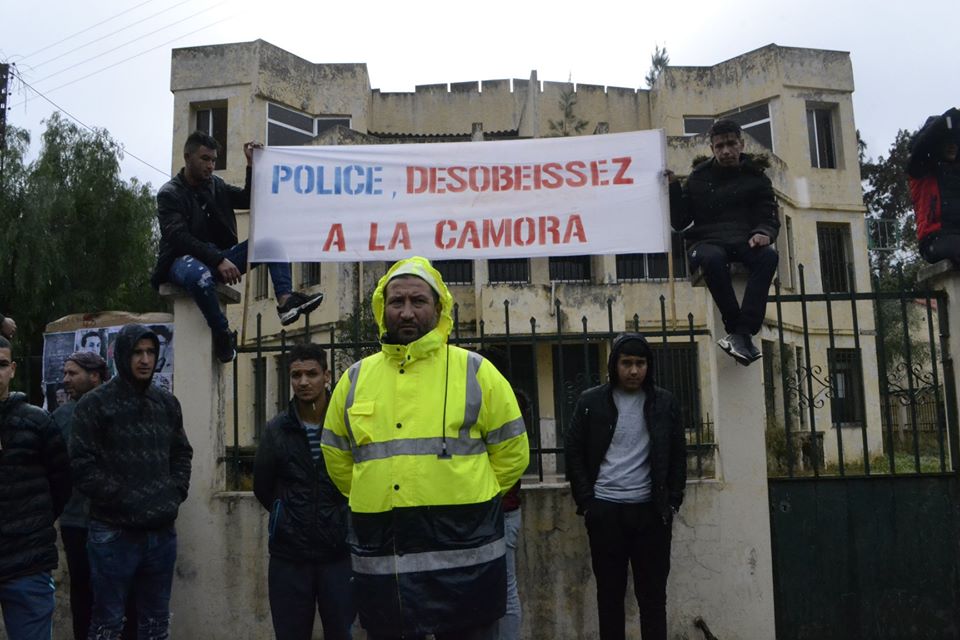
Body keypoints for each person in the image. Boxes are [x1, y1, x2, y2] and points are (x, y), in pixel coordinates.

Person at [321, 257, 529, 640]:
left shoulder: (476, 371)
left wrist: (471, 495)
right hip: (387, 560)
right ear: (382, 309)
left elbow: (512, 452)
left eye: (418, 301)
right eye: (396, 302)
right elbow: (338, 459)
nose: (407, 312)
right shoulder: (354, 380)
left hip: (467, 559)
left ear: (439, 307)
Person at [151, 131, 324, 363]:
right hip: (181, 261)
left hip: (218, 257)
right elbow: (179, 237)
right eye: (205, 159)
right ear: (187, 157)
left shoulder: (216, 185)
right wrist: (217, 260)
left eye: (213, 160)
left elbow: (248, 200)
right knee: (200, 276)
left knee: (271, 240)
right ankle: (222, 334)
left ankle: (285, 302)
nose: (210, 166)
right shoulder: (169, 193)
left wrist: (251, 165)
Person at [70, 324, 193, 640]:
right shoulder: (94, 404)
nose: (145, 359)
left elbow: (181, 453)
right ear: (122, 355)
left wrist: (174, 493)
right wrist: (125, 497)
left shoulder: (167, 404)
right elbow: (82, 467)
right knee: (108, 623)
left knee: (155, 623)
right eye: (137, 352)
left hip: (160, 532)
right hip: (113, 532)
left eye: (151, 352)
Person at [565, 333, 686, 640]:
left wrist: (672, 501)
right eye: (627, 363)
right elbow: (574, 452)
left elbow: (677, 456)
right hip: (605, 512)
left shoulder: (665, 403)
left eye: (641, 363)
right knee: (609, 597)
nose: (634, 371)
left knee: (653, 599)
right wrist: (588, 502)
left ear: (649, 366)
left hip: (651, 513)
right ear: (614, 364)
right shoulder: (591, 401)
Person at [253, 342, 355, 640]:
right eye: (296, 375)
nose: (303, 382)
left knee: (341, 631)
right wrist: (287, 515)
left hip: (338, 552)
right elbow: (263, 486)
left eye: (311, 374)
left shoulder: (345, 424)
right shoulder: (276, 430)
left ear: (327, 376)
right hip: (289, 556)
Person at [668, 118, 780, 365]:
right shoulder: (698, 178)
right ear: (712, 149)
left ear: (741, 144)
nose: (726, 151)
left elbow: (769, 215)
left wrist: (763, 232)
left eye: (731, 144)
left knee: (769, 256)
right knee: (712, 259)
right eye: (719, 146)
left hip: (744, 240)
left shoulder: (757, 178)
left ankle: (742, 333)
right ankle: (738, 330)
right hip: (705, 241)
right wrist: (674, 189)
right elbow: (679, 222)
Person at [53, 352, 137, 640]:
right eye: (64, 373)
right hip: (76, 521)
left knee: (120, 593)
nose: (65, 380)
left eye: (72, 373)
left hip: (117, 520)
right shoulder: (60, 416)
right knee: (82, 593)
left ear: (96, 376)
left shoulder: (120, 409)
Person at [0, 335, 72, 640]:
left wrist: (32, 524)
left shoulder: (38, 421)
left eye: (1, 364)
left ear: (13, 369)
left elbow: (61, 483)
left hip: (27, 563)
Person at [907, 107, 960, 266]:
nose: (952, 146)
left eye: (955, 141)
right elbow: (921, 147)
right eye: (946, 141)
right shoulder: (921, 168)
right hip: (934, 239)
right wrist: (947, 119)